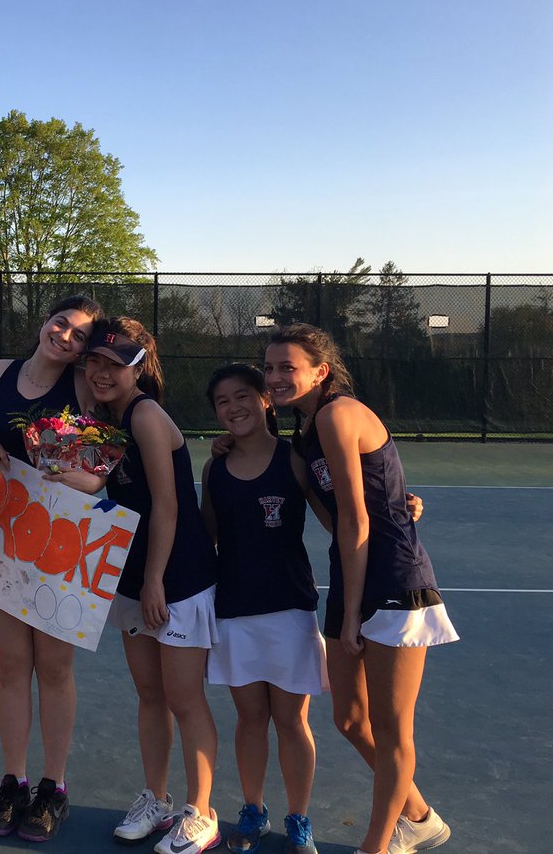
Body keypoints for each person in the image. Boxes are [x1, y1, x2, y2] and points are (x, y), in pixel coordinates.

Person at [264, 324, 457, 854]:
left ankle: (378, 845)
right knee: (349, 718)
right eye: (270, 367)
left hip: (393, 578)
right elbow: (334, 519)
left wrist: (351, 614)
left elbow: (355, 518)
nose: (276, 377)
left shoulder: (338, 414)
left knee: (393, 730)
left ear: (320, 371)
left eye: (288, 367)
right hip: (353, 578)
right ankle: (418, 815)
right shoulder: (305, 440)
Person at [0, 294, 101, 842]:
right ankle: (14, 781)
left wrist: (88, 478)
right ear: (44, 321)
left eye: (79, 335)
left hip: (61, 543)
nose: (65, 336)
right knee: (12, 665)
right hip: (0, 537)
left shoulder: (86, 388)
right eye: (61, 323)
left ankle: (53, 787)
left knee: (56, 669)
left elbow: (104, 460)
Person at [76, 318, 222, 854]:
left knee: (185, 700)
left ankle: (202, 813)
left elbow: (168, 504)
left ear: (136, 369)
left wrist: (157, 580)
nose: (101, 372)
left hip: (176, 579)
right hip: (132, 577)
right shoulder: (102, 421)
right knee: (149, 695)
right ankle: (156, 799)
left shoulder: (145, 416)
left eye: (113, 365)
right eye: (94, 362)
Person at [200, 363, 326, 854]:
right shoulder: (215, 467)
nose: (234, 408)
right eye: (223, 402)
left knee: (293, 721)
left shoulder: (294, 459)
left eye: (243, 397)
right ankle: (252, 811)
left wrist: (398, 507)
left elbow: (337, 513)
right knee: (250, 719)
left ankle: (299, 818)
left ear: (265, 401)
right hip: (234, 610)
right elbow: (205, 535)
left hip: (290, 609)